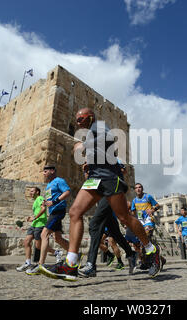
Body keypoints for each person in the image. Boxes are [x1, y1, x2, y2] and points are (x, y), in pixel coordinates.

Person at [43, 108, 162, 281]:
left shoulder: (99, 127)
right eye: (76, 119)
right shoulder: (89, 135)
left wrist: (82, 146)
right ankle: (71, 263)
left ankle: (151, 249)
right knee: (75, 212)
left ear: (90, 117)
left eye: (81, 118)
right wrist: (87, 162)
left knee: (124, 218)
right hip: (94, 180)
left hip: (110, 179)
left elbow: (108, 139)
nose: (78, 122)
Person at [31, 165, 71, 276]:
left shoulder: (59, 180)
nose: (43, 173)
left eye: (45, 171)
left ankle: (41, 265)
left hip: (58, 211)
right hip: (52, 212)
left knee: (44, 235)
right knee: (58, 238)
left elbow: (67, 192)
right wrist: (46, 203)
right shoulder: (48, 185)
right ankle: (75, 253)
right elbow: (50, 199)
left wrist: (54, 201)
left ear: (52, 171)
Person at [17, 187, 48, 272]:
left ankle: (54, 253)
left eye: (32, 191)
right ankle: (28, 263)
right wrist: (31, 217)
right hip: (34, 224)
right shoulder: (35, 201)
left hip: (40, 224)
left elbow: (43, 209)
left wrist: (34, 217)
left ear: (37, 192)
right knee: (26, 241)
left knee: (38, 245)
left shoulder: (40, 198)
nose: (30, 193)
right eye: (30, 191)